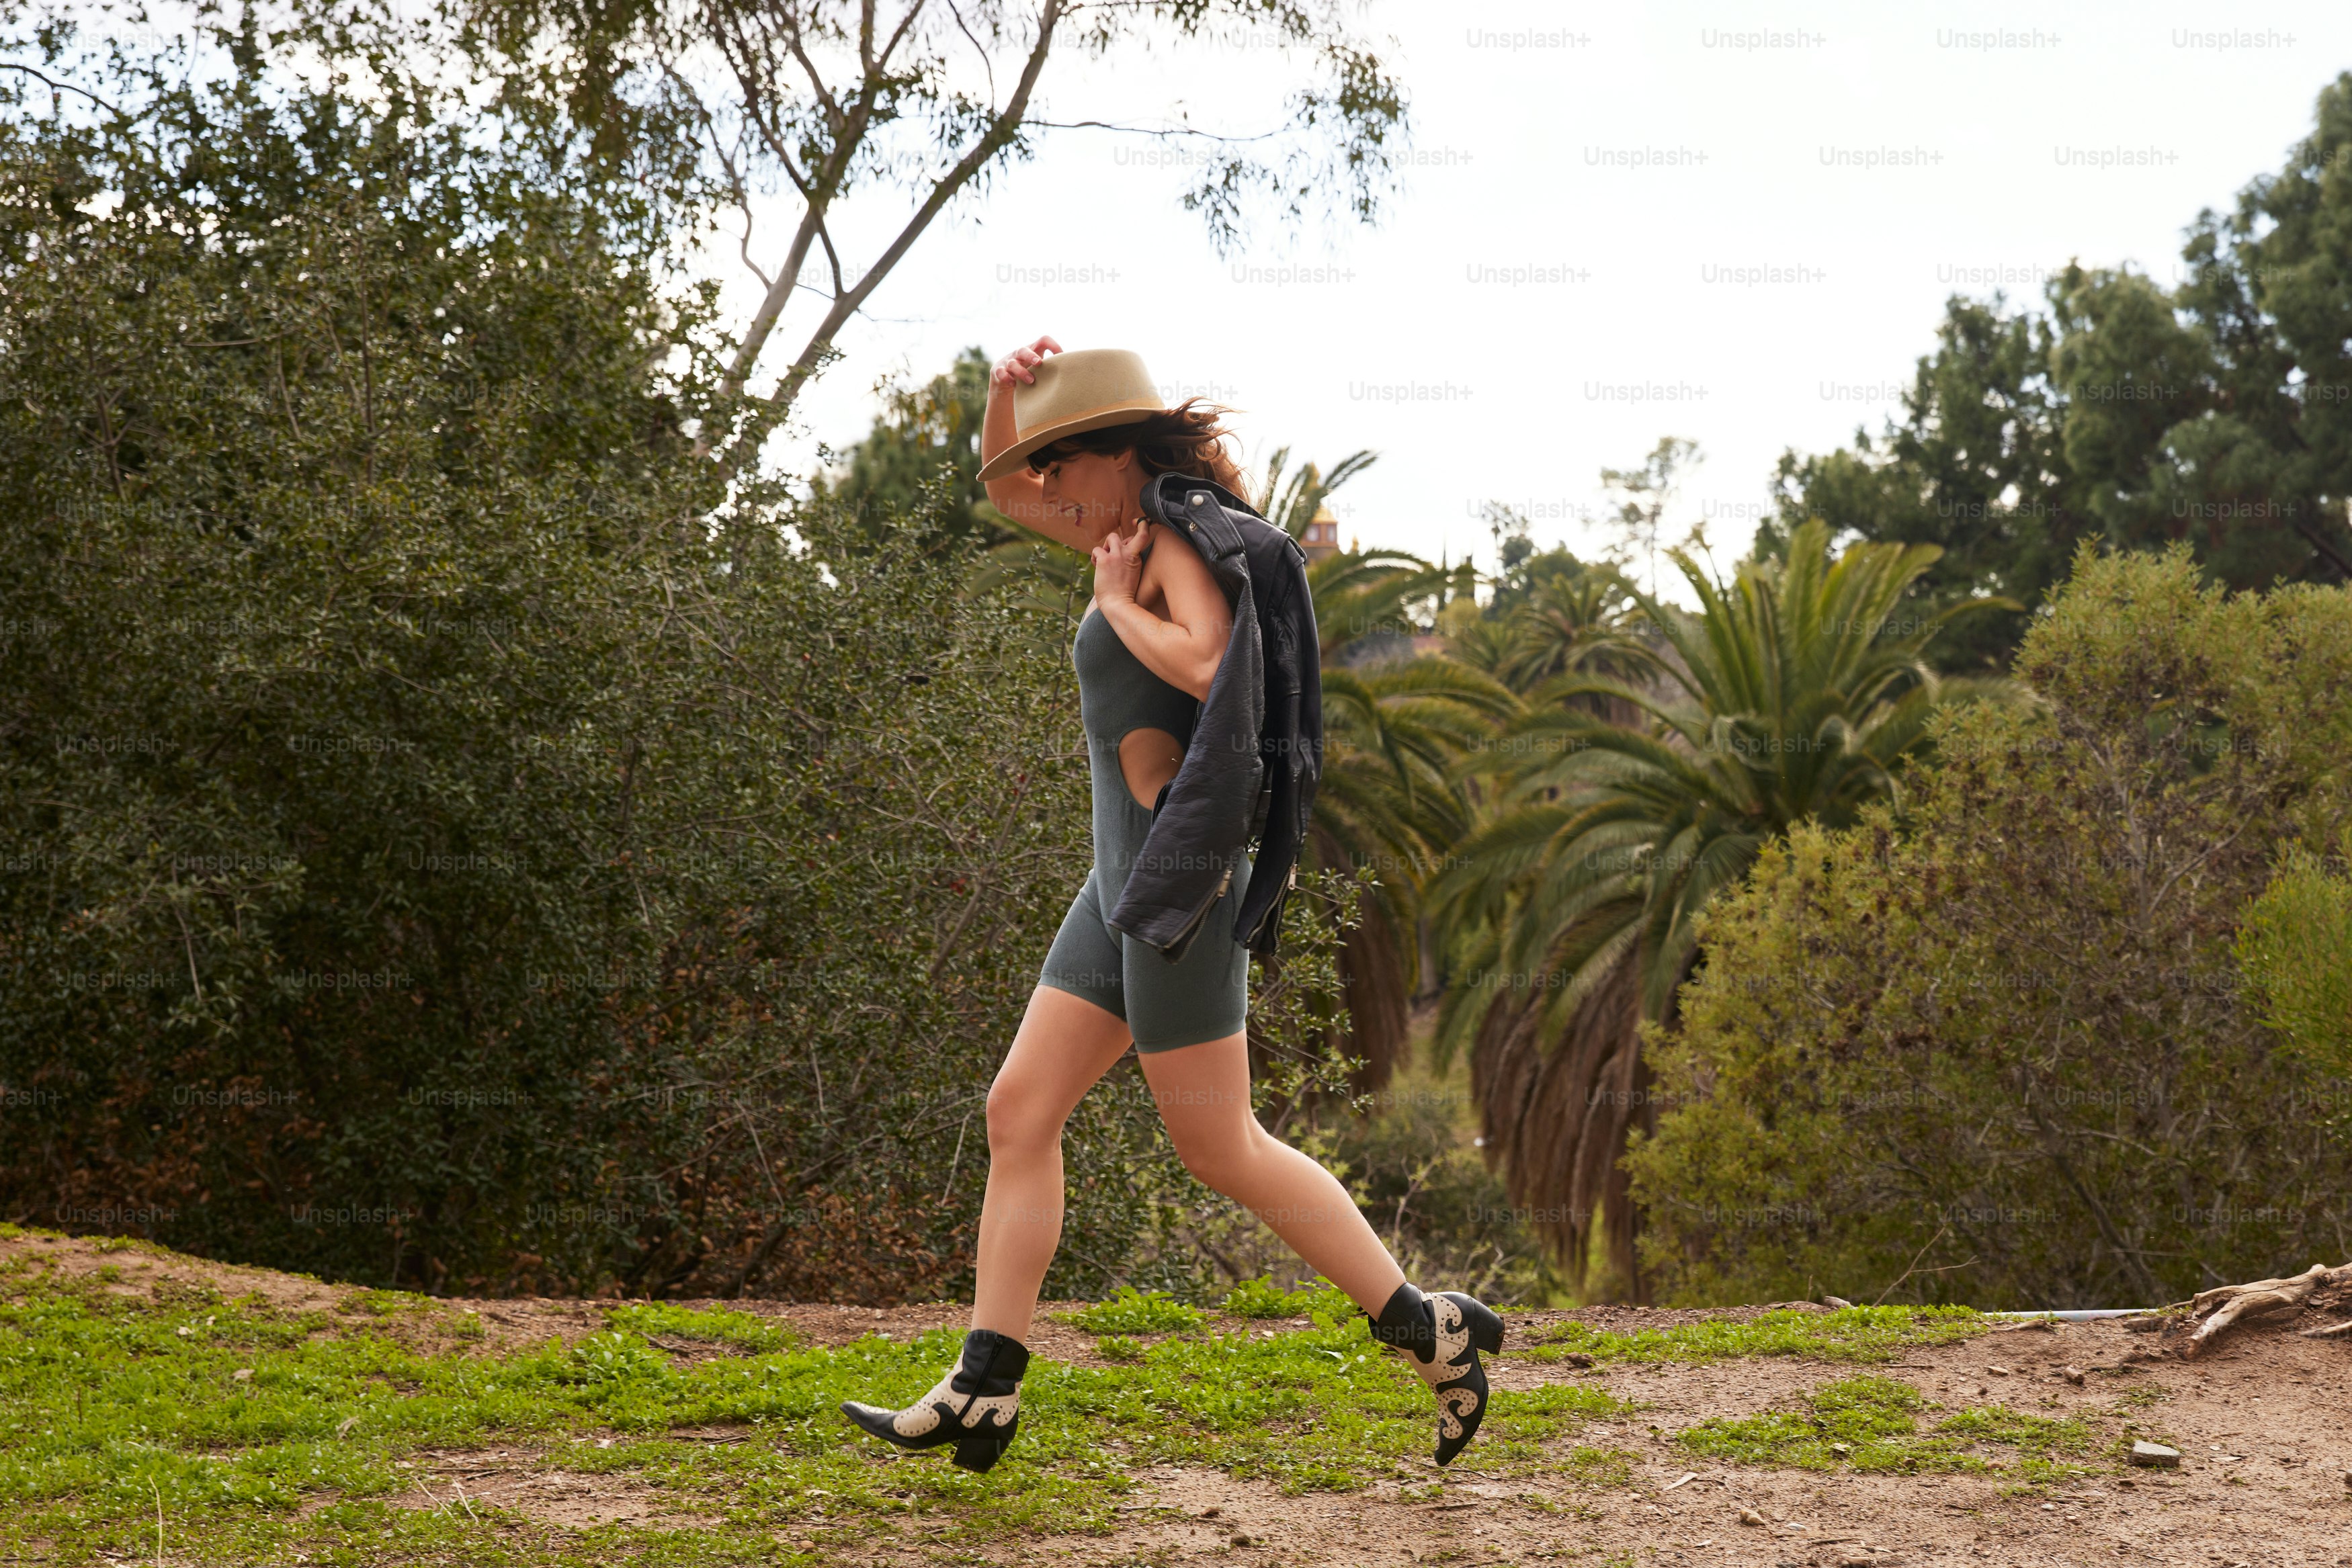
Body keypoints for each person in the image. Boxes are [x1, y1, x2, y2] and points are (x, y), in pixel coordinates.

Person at [839, 337, 1501, 1473]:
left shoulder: (1172, 540)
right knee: (1020, 1110)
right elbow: (999, 489)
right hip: (1117, 885)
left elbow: (1208, 661)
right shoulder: (1116, 527)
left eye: (1064, 460)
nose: (1047, 488)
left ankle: (1424, 1323)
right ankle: (985, 1385)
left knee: (1220, 1146)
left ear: (1120, 451)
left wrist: (1114, 598)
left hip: (1175, 887)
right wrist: (1007, 400)